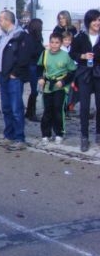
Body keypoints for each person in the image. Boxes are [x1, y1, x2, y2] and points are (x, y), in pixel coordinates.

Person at [0, 10, 31, 151]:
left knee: (16, 108)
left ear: (8, 21)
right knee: (6, 108)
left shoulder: (20, 36)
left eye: (1, 19)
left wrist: (16, 73)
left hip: (13, 77)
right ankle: (9, 136)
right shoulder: (3, 36)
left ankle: (20, 138)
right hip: (3, 76)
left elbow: (25, 57)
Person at [37, 32, 77, 145]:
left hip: (60, 87)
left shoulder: (65, 56)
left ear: (61, 43)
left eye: (57, 43)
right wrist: (41, 78)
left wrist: (63, 82)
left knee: (58, 110)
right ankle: (46, 134)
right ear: (49, 42)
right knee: (47, 110)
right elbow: (39, 67)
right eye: (52, 42)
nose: (54, 45)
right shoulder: (44, 54)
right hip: (48, 86)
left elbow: (72, 71)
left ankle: (59, 133)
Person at [69, 9, 100, 152]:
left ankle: (98, 134)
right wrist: (82, 56)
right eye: (94, 20)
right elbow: (72, 53)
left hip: (98, 73)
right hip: (84, 74)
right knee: (85, 107)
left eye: (99, 20)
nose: (97, 23)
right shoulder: (80, 37)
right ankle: (84, 137)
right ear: (88, 22)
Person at [24, 19, 45, 123]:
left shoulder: (31, 38)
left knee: (34, 91)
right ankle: (31, 112)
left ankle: (29, 111)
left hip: (34, 65)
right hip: (34, 66)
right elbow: (35, 52)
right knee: (34, 91)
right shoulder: (33, 39)